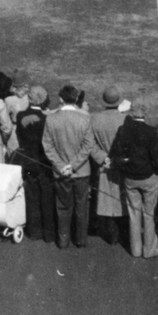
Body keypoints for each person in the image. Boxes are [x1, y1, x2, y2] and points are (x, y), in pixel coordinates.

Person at [42, 84, 98, 249]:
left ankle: (64, 240)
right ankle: (80, 240)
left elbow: (47, 146)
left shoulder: (51, 118)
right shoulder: (84, 118)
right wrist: (72, 166)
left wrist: (61, 166)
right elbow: (88, 147)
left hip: (61, 173)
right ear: (76, 99)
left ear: (60, 99)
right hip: (81, 172)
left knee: (63, 207)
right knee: (82, 207)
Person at [109, 101, 158, 259]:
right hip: (148, 177)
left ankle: (136, 249)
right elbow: (156, 159)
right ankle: (149, 249)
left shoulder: (123, 130)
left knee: (134, 213)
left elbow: (116, 155)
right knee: (149, 213)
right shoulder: (151, 131)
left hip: (130, 178)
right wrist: (156, 172)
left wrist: (125, 169)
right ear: (145, 113)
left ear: (131, 112)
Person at [14, 85, 56, 243]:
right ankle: (49, 233)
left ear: (29, 98)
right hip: (43, 161)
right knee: (47, 198)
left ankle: (34, 231)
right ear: (44, 99)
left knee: (31, 197)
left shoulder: (20, 116)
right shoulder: (47, 118)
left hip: (28, 160)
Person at [90, 85, 127, 245]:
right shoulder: (125, 119)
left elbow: (89, 144)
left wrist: (102, 157)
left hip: (104, 165)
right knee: (121, 199)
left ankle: (111, 234)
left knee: (106, 200)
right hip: (121, 166)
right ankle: (121, 233)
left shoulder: (95, 118)